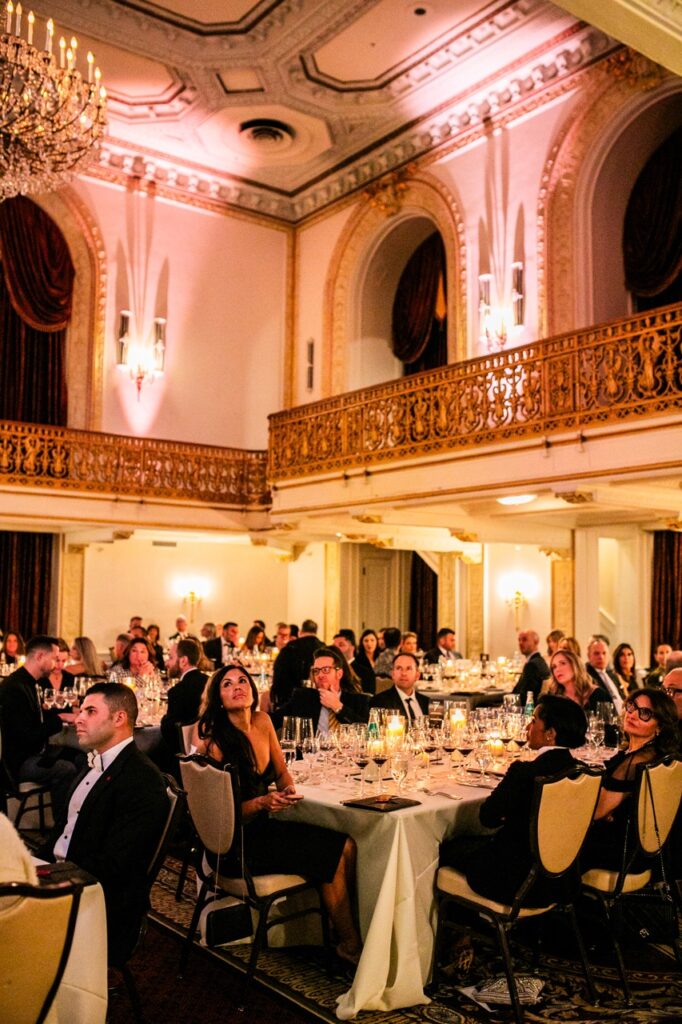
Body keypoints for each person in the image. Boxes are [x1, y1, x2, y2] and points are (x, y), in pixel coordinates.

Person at [195, 664, 362, 964]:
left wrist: (287, 789)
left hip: (263, 827)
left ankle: (338, 929)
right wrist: (261, 803)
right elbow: (220, 814)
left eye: (242, 681)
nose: (237, 687)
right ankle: (349, 944)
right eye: (228, 684)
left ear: (253, 689)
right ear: (219, 699)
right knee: (333, 854)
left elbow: (282, 771)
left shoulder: (263, 721)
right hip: (237, 845)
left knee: (349, 845)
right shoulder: (216, 743)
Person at [39, 683, 168, 966]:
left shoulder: (141, 781)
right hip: (62, 874)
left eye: (90, 711)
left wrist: (46, 877)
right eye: (81, 710)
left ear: (119, 718)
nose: (78, 718)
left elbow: (116, 868)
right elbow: (63, 832)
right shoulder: (93, 762)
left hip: (95, 900)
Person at [439, 695, 588, 905]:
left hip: (515, 882)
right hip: (561, 881)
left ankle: (460, 928)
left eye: (534, 721)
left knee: (444, 849)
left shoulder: (525, 772)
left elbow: (487, 818)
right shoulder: (584, 772)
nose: (528, 726)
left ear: (550, 734)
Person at [581, 688, 679, 872]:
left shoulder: (635, 763)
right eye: (632, 707)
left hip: (618, 852)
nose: (632, 715)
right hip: (639, 850)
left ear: (660, 727)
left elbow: (595, 812)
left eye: (645, 713)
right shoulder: (649, 755)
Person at [0, 636, 79, 818]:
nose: (56, 664)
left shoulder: (27, 682)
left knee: (82, 759)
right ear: (40, 656)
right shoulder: (15, 688)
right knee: (66, 770)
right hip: (18, 761)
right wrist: (59, 718)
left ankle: (77, 822)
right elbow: (27, 736)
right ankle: (62, 829)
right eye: (54, 658)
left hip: (33, 751)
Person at [273, 647, 369, 733]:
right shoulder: (303, 698)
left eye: (326, 670)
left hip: (346, 752)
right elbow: (272, 720)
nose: (320, 675)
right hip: (311, 752)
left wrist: (338, 707)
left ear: (339, 674)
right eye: (316, 671)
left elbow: (366, 732)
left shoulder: (358, 701)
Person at [160, 638, 208, 759]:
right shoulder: (210, 682)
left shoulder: (178, 691)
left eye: (171, 658)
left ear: (183, 661)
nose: (167, 664)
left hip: (186, 757)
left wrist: (163, 719)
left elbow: (169, 733)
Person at [268, 618, 323, 710]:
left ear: (300, 632)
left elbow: (278, 677)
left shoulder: (290, 648)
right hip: (318, 700)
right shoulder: (324, 648)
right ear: (316, 632)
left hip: (290, 701)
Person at [369, 653, 428, 722]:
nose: (403, 673)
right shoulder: (379, 702)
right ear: (392, 674)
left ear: (417, 675)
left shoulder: (426, 702)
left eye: (408, 669)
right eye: (399, 668)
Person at [586, 638, 626, 712]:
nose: (601, 657)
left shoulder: (612, 674)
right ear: (588, 656)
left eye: (604, 653)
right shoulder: (586, 675)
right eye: (596, 653)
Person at [513, 629, 551, 702]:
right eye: (519, 640)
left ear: (536, 642)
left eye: (524, 640)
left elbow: (525, 696)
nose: (520, 643)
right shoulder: (539, 661)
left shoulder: (532, 665)